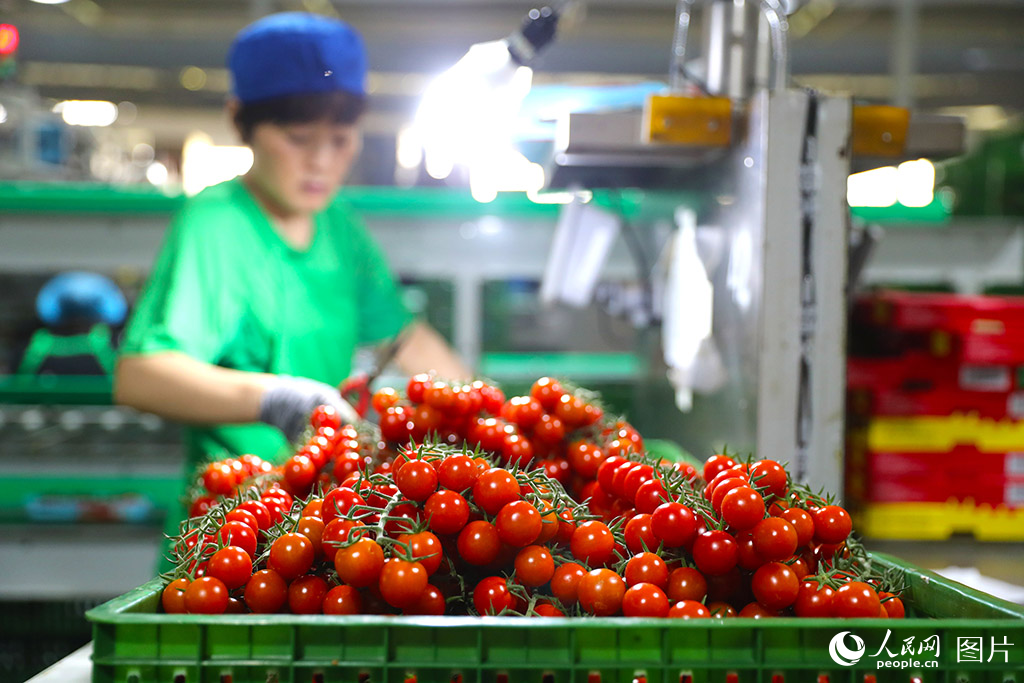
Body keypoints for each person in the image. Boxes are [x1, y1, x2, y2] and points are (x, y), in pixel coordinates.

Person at [113, 12, 470, 566]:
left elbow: (408, 340)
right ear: (240, 122)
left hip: (330, 527)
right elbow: (141, 374)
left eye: (341, 139)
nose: (321, 162)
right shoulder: (217, 224)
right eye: (299, 138)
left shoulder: (339, 226)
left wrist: (486, 419)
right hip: (233, 534)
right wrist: (275, 399)